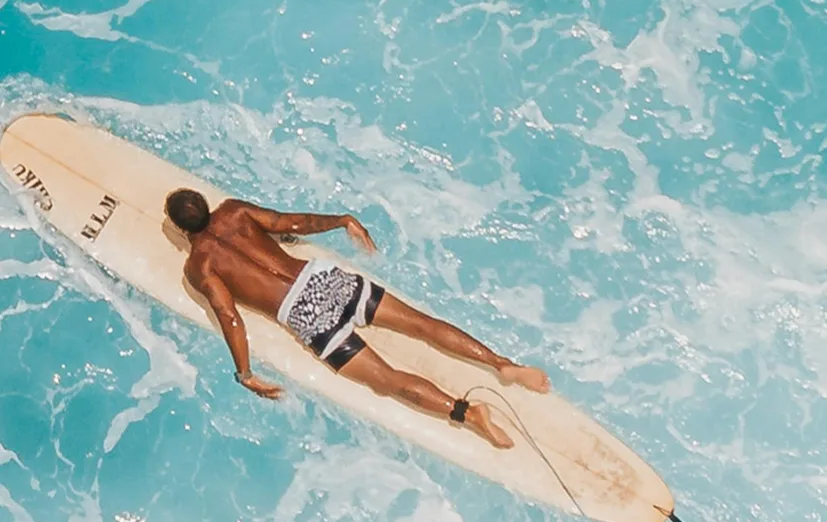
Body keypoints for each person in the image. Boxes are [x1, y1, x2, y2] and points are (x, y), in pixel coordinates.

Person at [165, 188, 549, 449]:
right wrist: (343, 219)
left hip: (306, 315)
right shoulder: (234, 211)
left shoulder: (199, 266)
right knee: (421, 324)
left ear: (182, 229)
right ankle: (505, 365)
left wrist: (245, 373)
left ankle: (467, 413)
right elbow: (290, 222)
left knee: (388, 380)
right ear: (207, 204)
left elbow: (229, 317)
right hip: (323, 279)